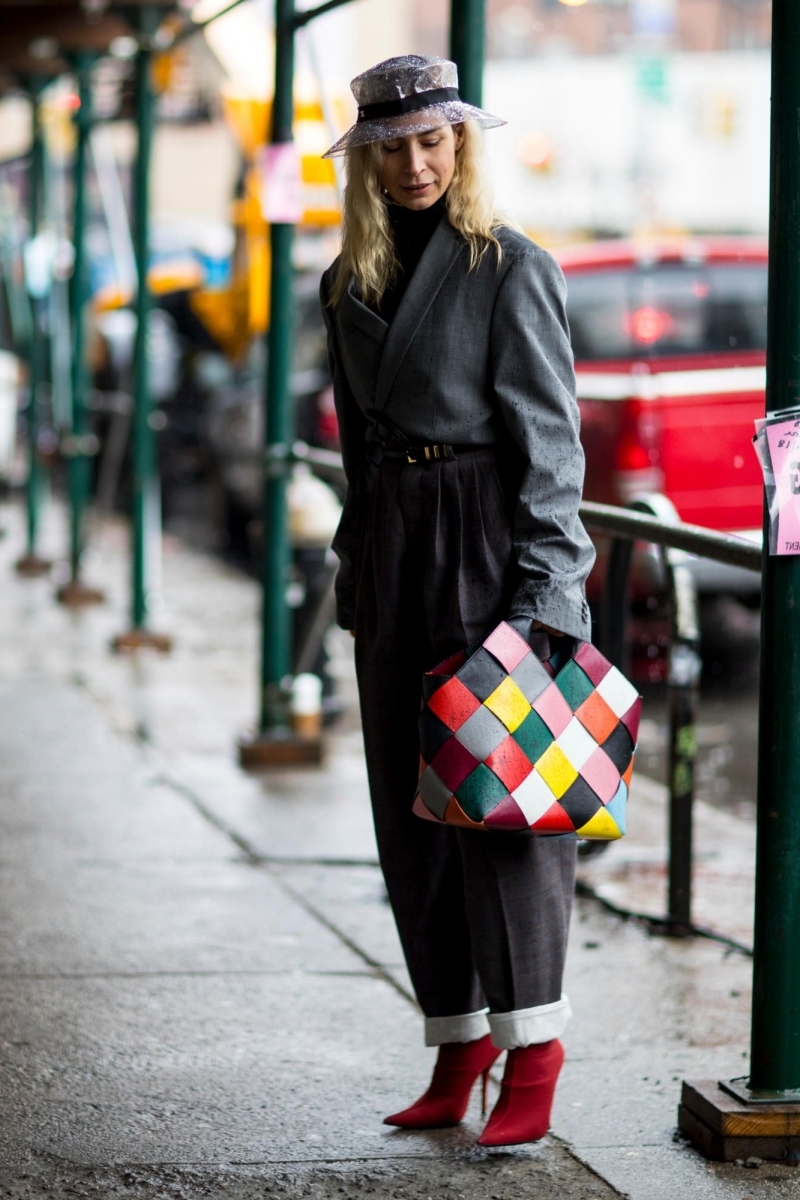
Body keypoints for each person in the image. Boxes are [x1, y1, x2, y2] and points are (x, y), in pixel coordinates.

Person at [319, 55, 595, 1147]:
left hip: (487, 539)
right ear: (368, 159)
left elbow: (549, 442)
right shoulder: (345, 279)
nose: (415, 161)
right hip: (394, 546)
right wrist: (357, 567)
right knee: (411, 814)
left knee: (505, 808)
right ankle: (457, 1039)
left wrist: (547, 592)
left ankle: (534, 1049)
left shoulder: (508, 267)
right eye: (391, 146)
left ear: (462, 145)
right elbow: (351, 446)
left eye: (433, 140)